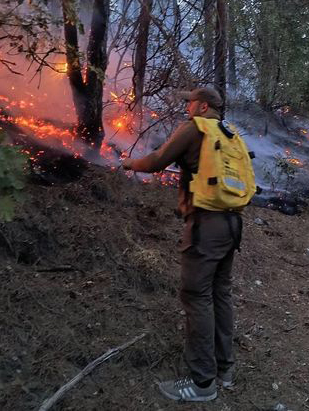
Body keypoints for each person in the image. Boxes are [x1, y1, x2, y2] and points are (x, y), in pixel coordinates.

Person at [122, 87, 240, 402]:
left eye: (190, 102)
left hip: (205, 227)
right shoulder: (228, 132)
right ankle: (225, 371)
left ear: (202, 106)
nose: (186, 107)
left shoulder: (194, 128)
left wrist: (130, 164)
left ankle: (202, 384)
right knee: (220, 293)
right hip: (232, 224)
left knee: (196, 297)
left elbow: (158, 160)